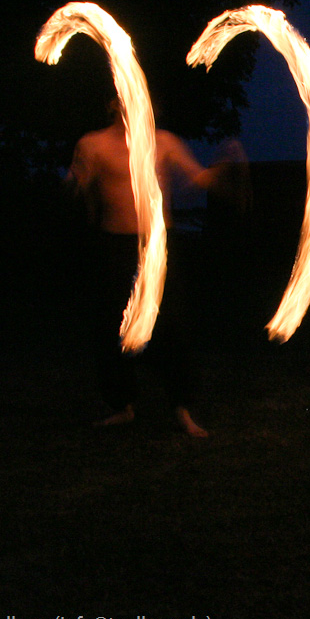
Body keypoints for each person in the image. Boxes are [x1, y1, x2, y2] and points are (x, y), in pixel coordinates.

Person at [66, 100, 243, 436]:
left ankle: (182, 408)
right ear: (113, 106)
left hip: (159, 247)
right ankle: (122, 405)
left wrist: (224, 164)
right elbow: (78, 186)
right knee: (114, 327)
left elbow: (198, 179)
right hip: (116, 247)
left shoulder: (164, 142)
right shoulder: (93, 144)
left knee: (172, 325)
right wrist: (70, 184)